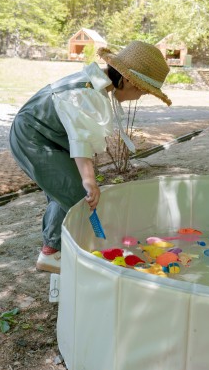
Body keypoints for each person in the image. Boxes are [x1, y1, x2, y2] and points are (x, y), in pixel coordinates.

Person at [9, 41, 171, 273]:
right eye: (142, 90)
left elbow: (80, 135)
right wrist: (89, 179)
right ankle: (51, 253)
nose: (141, 95)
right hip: (34, 137)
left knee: (66, 191)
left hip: (53, 136)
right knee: (75, 192)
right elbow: (80, 138)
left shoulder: (99, 86)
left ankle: (61, 246)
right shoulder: (88, 92)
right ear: (125, 80)